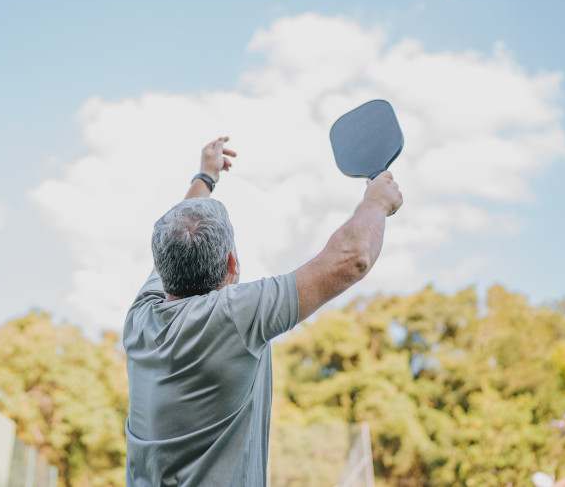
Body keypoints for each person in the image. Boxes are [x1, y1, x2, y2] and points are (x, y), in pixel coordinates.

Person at [123, 136, 403, 486]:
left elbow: (181, 233)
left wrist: (205, 178)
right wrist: (376, 204)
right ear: (232, 263)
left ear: (164, 269)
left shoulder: (140, 317)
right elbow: (352, 259)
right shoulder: (233, 317)